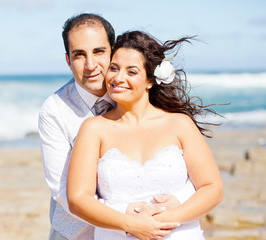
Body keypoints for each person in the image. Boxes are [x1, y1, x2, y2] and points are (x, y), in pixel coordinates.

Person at [38, 14, 195, 240]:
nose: (90, 65)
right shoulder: (54, 110)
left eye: (99, 52)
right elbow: (62, 190)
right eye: (79, 55)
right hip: (77, 234)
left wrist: (171, 205)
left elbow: (180, 166)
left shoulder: (138, 92)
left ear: (113, 50)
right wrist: (126, 218)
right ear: (67, 60)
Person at [67, 30, 223, 239]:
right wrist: (130, 224)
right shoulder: (94, 129)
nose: (118, 78)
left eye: (131, 72)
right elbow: (77, 199)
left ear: (150, 80)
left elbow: (212, 188)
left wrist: (169, 218)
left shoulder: (179, 124)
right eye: (114, 68)